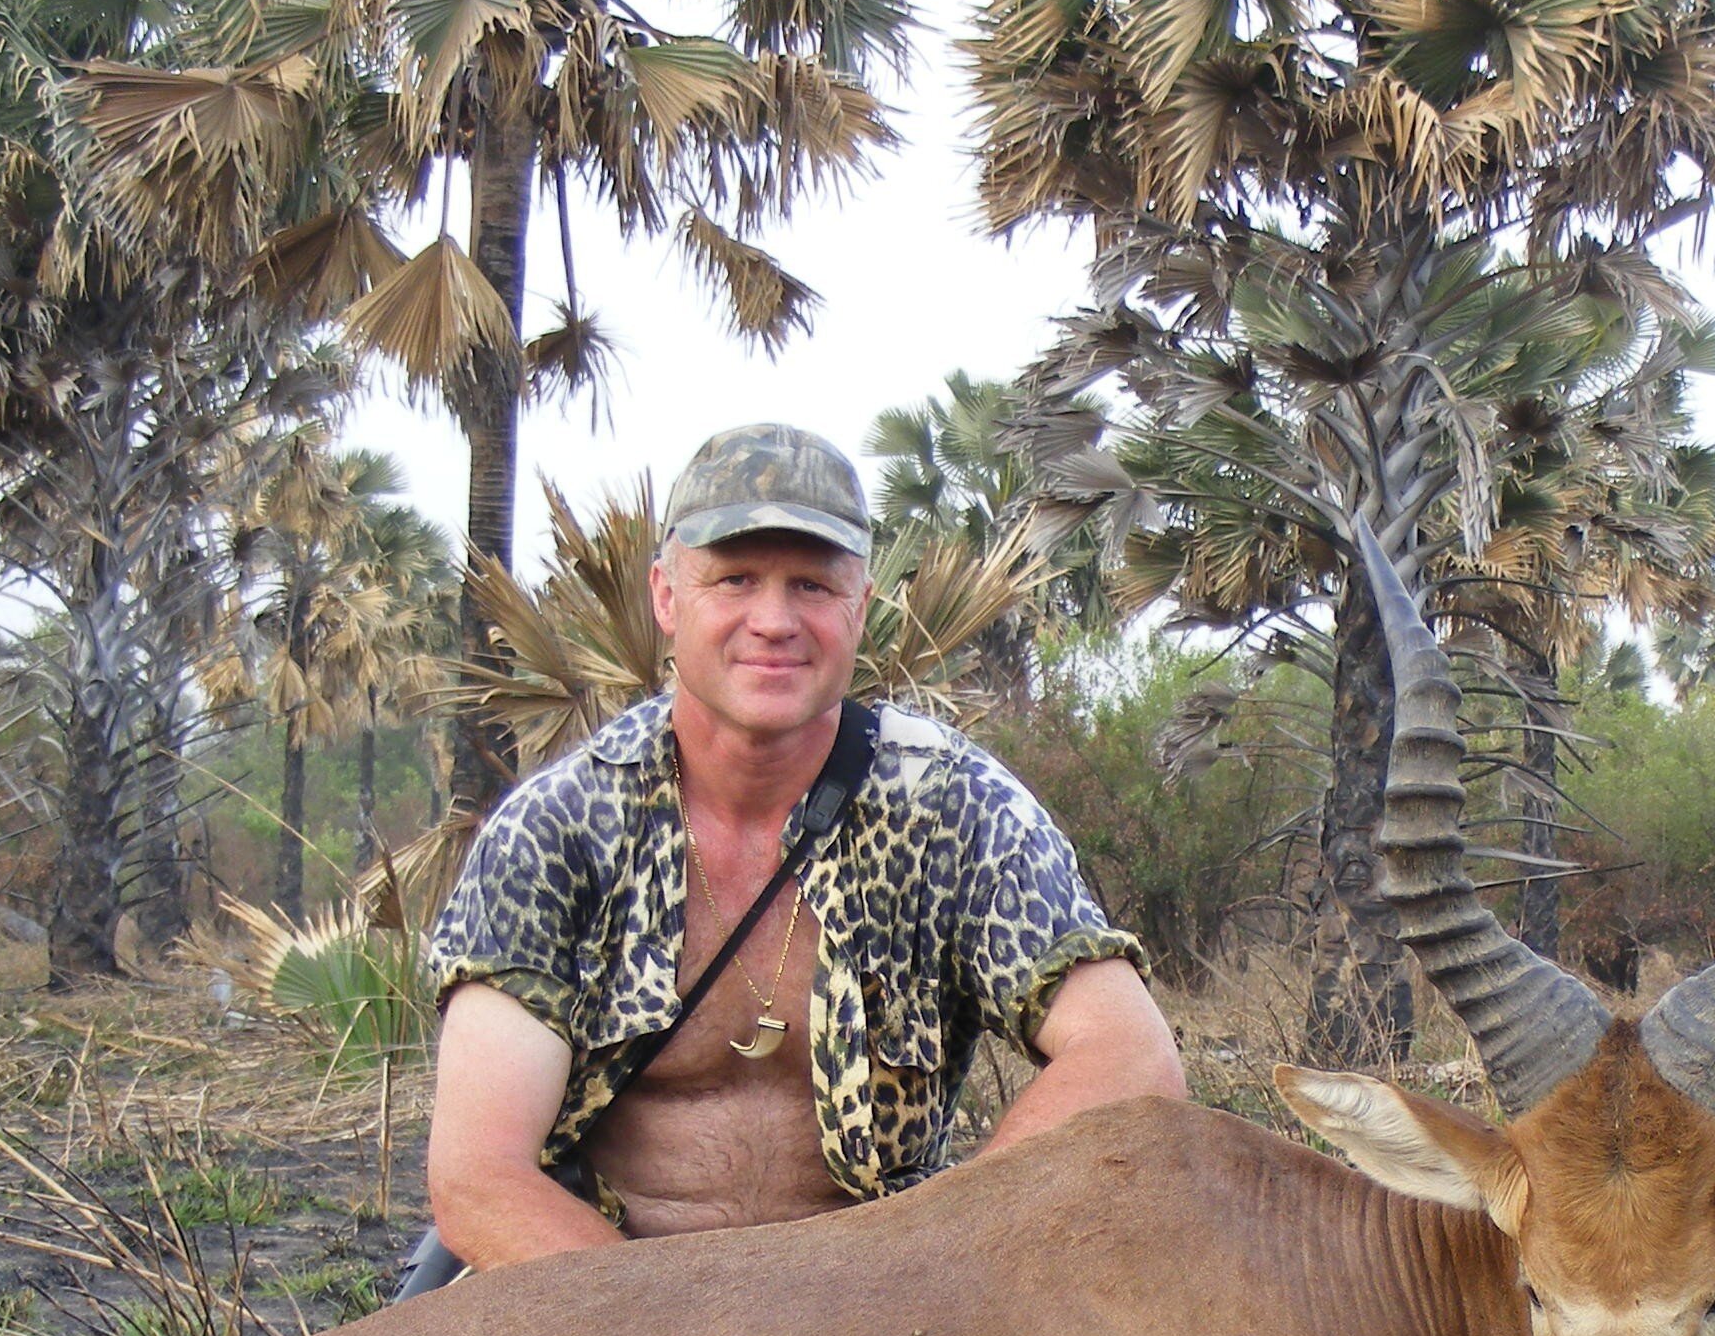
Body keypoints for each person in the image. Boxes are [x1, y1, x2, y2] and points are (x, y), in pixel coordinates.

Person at [422, 423, 1185, 1266]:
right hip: (603, 1308)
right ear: (667, 597)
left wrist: (937, 1267)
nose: (774, 621)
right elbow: (480, 1177)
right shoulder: (556, 828)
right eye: (736, 579)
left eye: (813, 586)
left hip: (885, 1305)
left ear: (860, 605)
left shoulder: (956, 807)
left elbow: (1134, 1057)